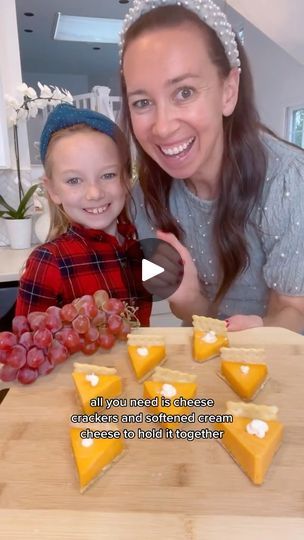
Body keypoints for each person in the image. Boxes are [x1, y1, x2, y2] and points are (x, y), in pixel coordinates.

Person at [119, 0, 304, 332]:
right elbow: (185, 310)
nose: (162, 127)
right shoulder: (145, 199)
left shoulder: (288, 181)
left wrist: (261, 332)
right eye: (142, 102)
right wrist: (187, 299)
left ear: (228, 91)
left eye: (184, 92)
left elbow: (294, 314)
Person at [15, 104, 151, 325]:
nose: (94, 193)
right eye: (74, 180)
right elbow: (28, 348)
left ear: (126, 179)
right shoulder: (47, 263)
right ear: (52, 190)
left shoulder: (141, 249)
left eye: (107, 175)